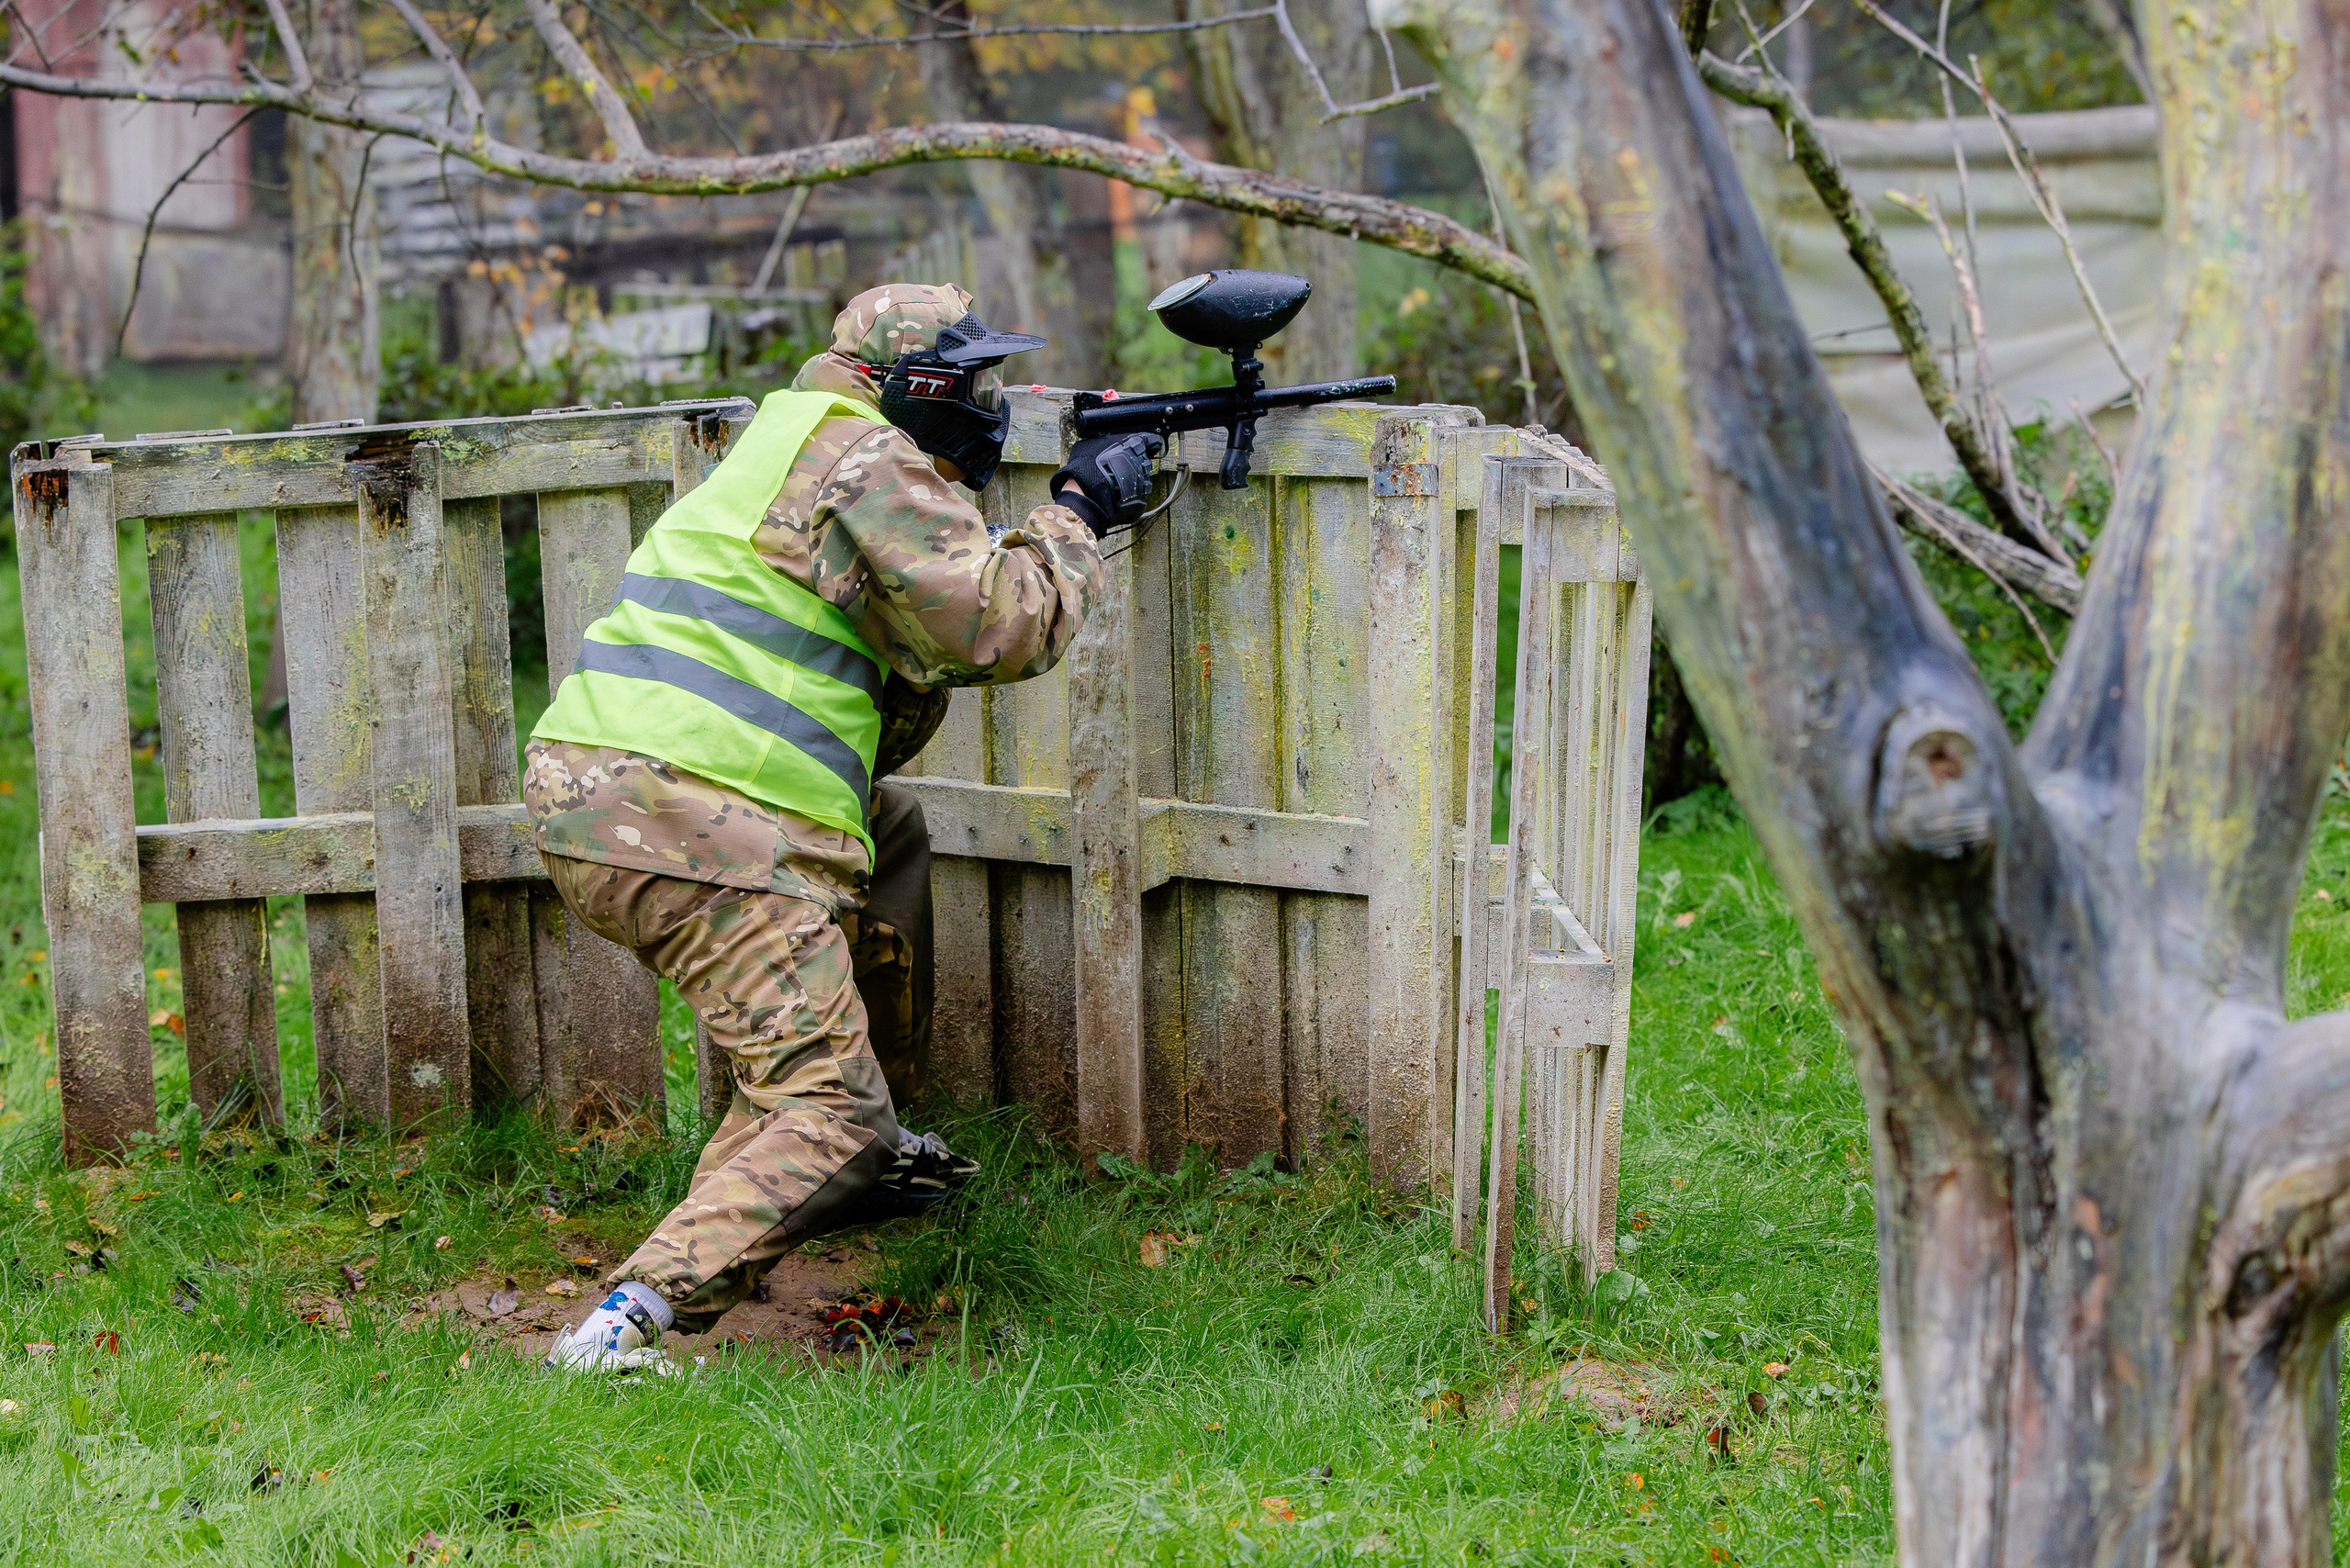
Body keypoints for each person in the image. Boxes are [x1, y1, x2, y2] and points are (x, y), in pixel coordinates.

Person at [521, 284, 1160, 1372]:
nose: (989, 405)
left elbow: (895, 699)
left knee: (891, 832)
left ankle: (868, 1132)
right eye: (972, 385)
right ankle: (626, 1322)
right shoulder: (869, 458)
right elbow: (1003, 626)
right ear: (902, 385)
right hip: (700, 827)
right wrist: (1077, 513)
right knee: (828, 1113)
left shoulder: (788, 440)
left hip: (604, 798)